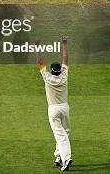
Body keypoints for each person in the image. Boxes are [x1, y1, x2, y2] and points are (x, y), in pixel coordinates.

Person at [34, 35, 73, 171]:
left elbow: (40, 62)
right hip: (65, 107)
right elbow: (65, 59)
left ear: (52, 70)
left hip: (53, 109)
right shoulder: (64, 76)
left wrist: (37, 47)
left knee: (60, 134)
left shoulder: (47, 77)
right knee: (65, 132)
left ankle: (66, 158)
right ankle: (59, 156)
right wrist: (64, 44)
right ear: (60, 70)